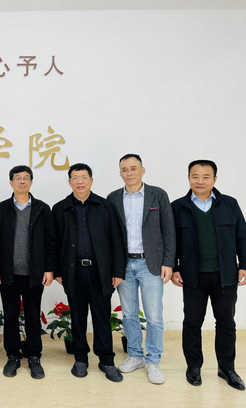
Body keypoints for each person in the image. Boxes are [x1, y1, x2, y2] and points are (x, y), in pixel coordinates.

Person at [171, 160, 246, 391]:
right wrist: (174, 267)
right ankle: (194, 366)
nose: (200, 181)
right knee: (192, 322)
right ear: (188, 178)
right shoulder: (178, 207)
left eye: (206, 177)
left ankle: (227, 368)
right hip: (192, 276)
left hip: (226, 276)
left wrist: (244, 264)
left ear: (214, 179)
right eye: (195, 176)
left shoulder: (229, 204)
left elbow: (242, 236)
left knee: (226, 323)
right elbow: (171, 241)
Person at [52, 163, 126, 382]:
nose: (80, 182)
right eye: (75, 178)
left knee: (102, 317)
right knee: (77, 317)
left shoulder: (105, 206)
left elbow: (117, 240)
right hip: (73, 271)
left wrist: (117, 271)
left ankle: (106, 360)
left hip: (100, 271)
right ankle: (80, 359)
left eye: (84, 177)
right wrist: (57, 270)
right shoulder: (60, 208)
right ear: (69, 182)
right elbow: (54, 243)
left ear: (91, 181)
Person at [107, 154, 175, 384]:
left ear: (142, 170)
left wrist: (168, 262)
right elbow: (109, 235)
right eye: (124, 169)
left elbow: (169, 230)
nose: (129, 173)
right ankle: (135, 355)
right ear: (120, 173)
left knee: (154, 315)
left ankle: (153, 360)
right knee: (128, 314)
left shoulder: (158, 195)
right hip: (124, 265)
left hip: (151, 264)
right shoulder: (113, 198)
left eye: (133, 168)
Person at [0, 165, 54, 380]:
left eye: (26, 178)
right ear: (11, 182)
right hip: (8, 274)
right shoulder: (1, 209)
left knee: (33, 315)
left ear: (31, 182)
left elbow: (50, 241)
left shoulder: (43, 208)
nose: (22, 181)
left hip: (34, 274)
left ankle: (34, 356)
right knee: (10, 315)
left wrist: (49, 269)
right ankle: (13, 356)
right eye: (18, 178)